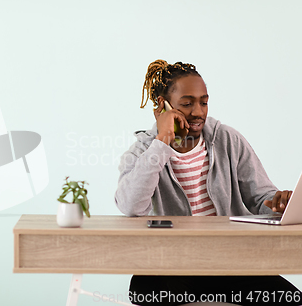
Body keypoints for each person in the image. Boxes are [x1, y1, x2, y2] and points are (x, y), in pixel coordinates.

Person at [114, 59, 301, 306]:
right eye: (187, 103)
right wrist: (162, 142)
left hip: (228, 263)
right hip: (170, 266)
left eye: (203, 102)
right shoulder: (142, 152)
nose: (198, 112)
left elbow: (260, 197)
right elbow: (130, 206)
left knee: (293, 301)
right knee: (144, 291)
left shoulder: (227, 139)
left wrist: (278, 204)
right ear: (163, 105)